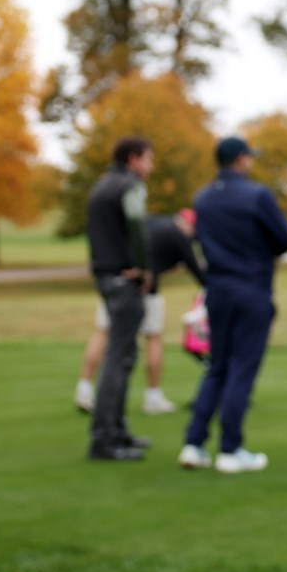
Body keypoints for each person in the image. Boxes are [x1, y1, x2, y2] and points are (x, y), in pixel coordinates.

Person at [179, 136, 287, 474]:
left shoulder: (203, 197)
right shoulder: (257, 195)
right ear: (241, 160)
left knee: (218, 366)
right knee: (242, 368)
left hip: (218, 291)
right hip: (251, 288)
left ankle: (194, 443)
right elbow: (283, 240)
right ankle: (230, 448)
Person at [73, 208, 206, 416]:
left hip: (117, 282)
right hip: (146, 290)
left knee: (103, 331)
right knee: (153, 337)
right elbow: (197, 271)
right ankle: (153, 397)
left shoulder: (150, 220)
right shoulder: (179, 236)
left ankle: (84, 390)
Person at [85, 136, 155, 461]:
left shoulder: (101, 185)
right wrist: (143, 268)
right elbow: (138, 225)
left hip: (104, 276)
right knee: (119, 357)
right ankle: (105, 439)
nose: (151, 167)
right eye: (148, 159)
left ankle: (118, 431)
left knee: (123, 355)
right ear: (133, 159)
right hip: (124, 279)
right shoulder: (130, 186)